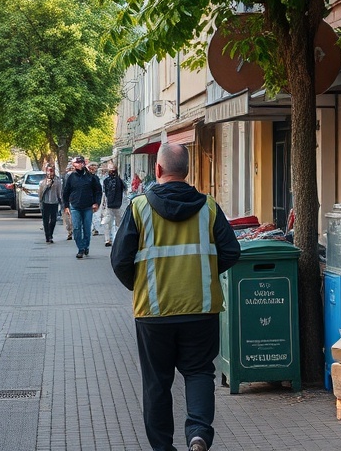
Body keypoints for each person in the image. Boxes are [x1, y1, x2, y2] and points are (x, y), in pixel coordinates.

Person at [111, 144, 241, 451]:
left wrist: (141, 284)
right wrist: (203, 274)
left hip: (154, 313)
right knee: (198, 372)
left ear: (157, 170)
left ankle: (162, 448)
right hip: (201, 308)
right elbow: (231, 252)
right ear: (188, 171)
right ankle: (197, 433)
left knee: (157, 383)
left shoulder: (139, 207)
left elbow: (119, 261)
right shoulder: (208, 207)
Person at [63, 154, 101, 258]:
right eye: (75, 163)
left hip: (88, 206)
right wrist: (66, 206)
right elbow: (65, 192)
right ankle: (80, 248)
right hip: (75, 206)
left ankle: (86, 246)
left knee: (87, 228)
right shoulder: (71, 177)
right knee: (76, 228)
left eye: (79, 163)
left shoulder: (91, 177)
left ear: (83, 164)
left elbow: (98, 191)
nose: (77, 165)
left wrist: (96, 203)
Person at [101, 164, 126, 247]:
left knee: (109, 223)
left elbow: (104, 193)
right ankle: (112, 239)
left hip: (114, 204)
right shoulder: (120, 181)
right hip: (115, 204)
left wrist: (103, 204)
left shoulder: (114, 181)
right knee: (111, 223)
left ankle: (110, 239)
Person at [38, 164, 63, 243]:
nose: (50, 173)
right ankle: (47, 236)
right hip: (45, 202)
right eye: (48, 171)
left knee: (53, 220)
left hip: (54, 202)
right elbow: (40, 193)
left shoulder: (58, 181)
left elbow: (59, 193)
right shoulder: (42, 182)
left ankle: (51, 234)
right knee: (45, 220)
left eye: (51, 171)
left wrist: (61, 202)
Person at [88, 161, 102, 235]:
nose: (94, 169)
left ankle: (94, 228)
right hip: (89, 199)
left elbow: (99, 190)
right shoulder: (88, 177)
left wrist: (98, 201)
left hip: (95, 199)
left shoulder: (96, 177)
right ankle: (92, 228)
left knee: (95, 215)